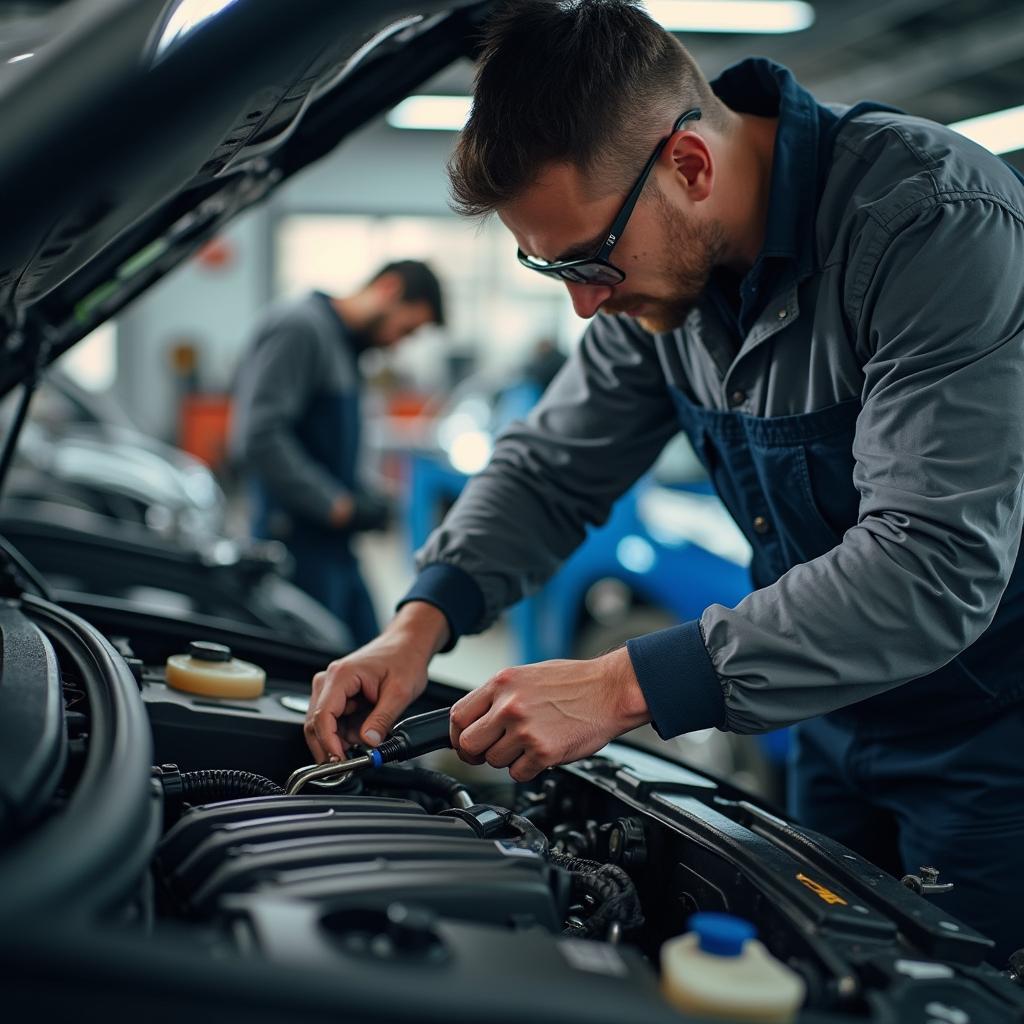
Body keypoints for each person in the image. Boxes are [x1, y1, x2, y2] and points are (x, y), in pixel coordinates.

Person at [305, 0, 1024, 960]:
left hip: (991, 739)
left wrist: (618, 685)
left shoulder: (930, 223)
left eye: (592, 260)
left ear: (689, 166)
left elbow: (929, 562)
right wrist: (418, 624)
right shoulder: (664, 287)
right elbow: (551, 467)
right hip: (827, 718)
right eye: (550, 267)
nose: (585, 304)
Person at [230, 261, 444, 647]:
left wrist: (364, 494)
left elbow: (328, 442)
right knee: (318, 669)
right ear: (389, 289)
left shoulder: (344, 345)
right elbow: (259, 437)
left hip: (335, 547)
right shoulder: (300, 327)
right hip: (294, 548)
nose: (398, 343)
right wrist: (338, 504)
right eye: (406, 329)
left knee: (372, 654)